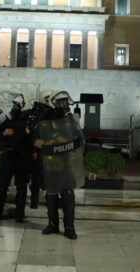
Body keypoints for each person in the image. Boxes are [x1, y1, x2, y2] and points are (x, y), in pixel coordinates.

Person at [34, 90, 84, 240]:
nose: (63, 104)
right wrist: (52, 139)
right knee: (51, 193)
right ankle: (52, 224)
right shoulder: (45, 117)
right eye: (60, 102)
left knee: (68, 193)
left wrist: (72, 141)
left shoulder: (70, 118)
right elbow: (38, 135)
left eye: (65, 101)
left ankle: (69, 228)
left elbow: (78, 135)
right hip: (51, 162)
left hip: (67, 160)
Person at [0, 94, 31, 222]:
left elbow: (35, 138)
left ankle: (20, 215)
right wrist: (4, 132)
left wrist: (30, 133)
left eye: (17, 104)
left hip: (22, 157)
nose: (15, 107)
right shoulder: (9, 119)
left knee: (22, 188)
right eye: (14, 104)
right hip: (9, 155)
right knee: (2, 186)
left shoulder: (29, 120)